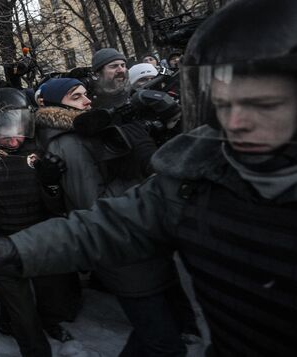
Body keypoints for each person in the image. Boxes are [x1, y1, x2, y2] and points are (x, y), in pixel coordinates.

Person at [0, 0, 297, 355]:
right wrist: (16, 248)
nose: (236, 122)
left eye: (263, 105)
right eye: (223, 105)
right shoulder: (196, 179)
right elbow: (105, 223)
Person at [35, 77, 198, 356]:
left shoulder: (89, 130)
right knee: (161, 339)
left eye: (86, 94)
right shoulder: (67, 142)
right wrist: (147, 189)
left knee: (163, 330)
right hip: (119, 243)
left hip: (137, 237)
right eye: (76, 97)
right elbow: (93, 204)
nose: (87, 101)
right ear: (53, 105)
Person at [0, 87, 77, 356]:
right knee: (22, 312)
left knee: (50, 296)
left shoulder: (42, 148)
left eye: (18, 128)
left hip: (38, 237)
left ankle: (49, 323)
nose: (13, 139)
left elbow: (58, 205)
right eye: (3, 130)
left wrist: (51, 183)